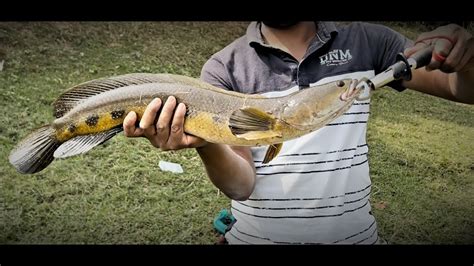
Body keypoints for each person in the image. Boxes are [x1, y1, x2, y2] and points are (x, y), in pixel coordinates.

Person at [123, 22, 474, 244]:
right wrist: (204, 143)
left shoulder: (369, 41)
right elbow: (240, 186)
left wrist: (466, 59)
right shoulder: (224, 68)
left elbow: (461, 90)